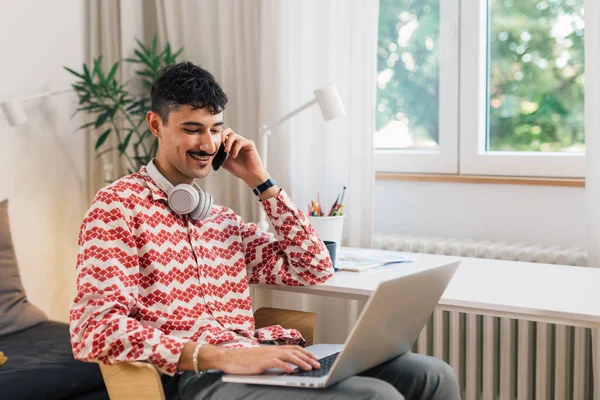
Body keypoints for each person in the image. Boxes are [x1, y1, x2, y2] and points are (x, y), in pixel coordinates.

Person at [69, 61, 460, 400]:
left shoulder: (220, 221)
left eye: (216, 129)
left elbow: (313, 267)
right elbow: (94, 329)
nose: (208, 144)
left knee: (429, 374)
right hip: (198, 376)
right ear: (156, 124)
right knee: (373, 396)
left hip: (259, 356)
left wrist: (262, 181)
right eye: (193, 129)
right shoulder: (117, 208)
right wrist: (218, 354)